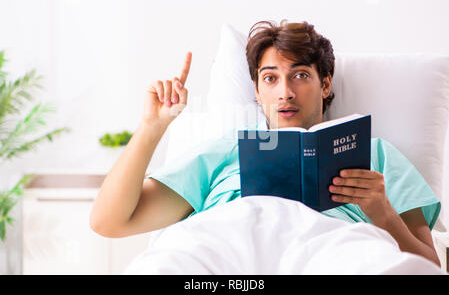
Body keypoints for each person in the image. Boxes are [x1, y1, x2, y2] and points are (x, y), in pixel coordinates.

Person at [89, 20, 441, 267]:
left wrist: (383, 213)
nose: (285, 91)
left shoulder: (376, 154)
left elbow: (428, 266)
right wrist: (152, 127)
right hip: (225, 245)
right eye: (270, 78)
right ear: (256, 91)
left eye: (300, 75)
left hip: (334, 249)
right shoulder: (225, 150)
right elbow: (109, 222)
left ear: (326, 84)